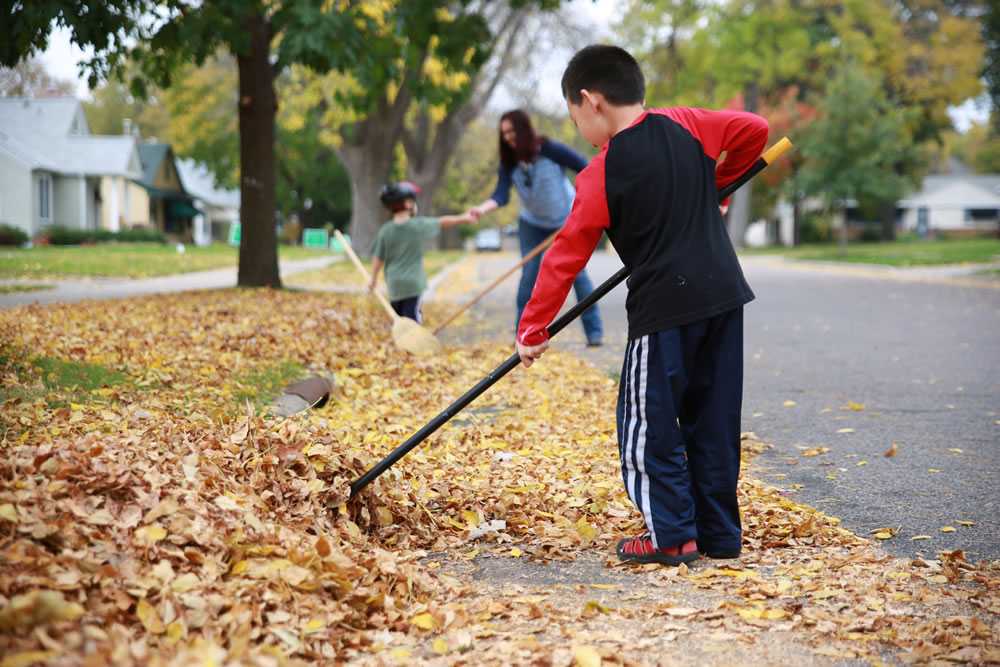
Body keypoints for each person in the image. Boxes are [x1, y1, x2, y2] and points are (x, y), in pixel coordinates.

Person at [515, 45, 770, 566]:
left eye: (573, 116)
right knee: (713, 420)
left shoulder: (599, 175)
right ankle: (719, 535)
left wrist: (533, 328)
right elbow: (754, 129)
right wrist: (717, 187)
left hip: (664, 311)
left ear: (591, 101)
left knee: (646, 425)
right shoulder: (688, 124)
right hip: (724, 296)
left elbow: (565, 257)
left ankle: (672, 536)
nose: (579, 127)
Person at [467, 110, 604, 347]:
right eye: (504, 133)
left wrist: (586, 201)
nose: (508, 137)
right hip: (532, 224)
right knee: (529, 276)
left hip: (564, 219)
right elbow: (500, 195)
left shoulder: (550, 150)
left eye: (512, 131)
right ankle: (522, 336)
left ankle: (595, 333)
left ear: (523, 129)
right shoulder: (509, 164)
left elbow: (585, 167)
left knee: (577, 276)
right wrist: (482, 209)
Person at [369, 181, 475, 323]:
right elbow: (442, 222)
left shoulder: (385, 231)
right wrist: (464, 218)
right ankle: (413, 342)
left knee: (399, 318)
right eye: (414, 201)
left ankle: (403, 342)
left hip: (394, 284)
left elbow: (378, 258)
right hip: (413, 284)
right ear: (408, 204)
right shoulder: (418, 226)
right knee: (412, 317)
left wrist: (373, 279)